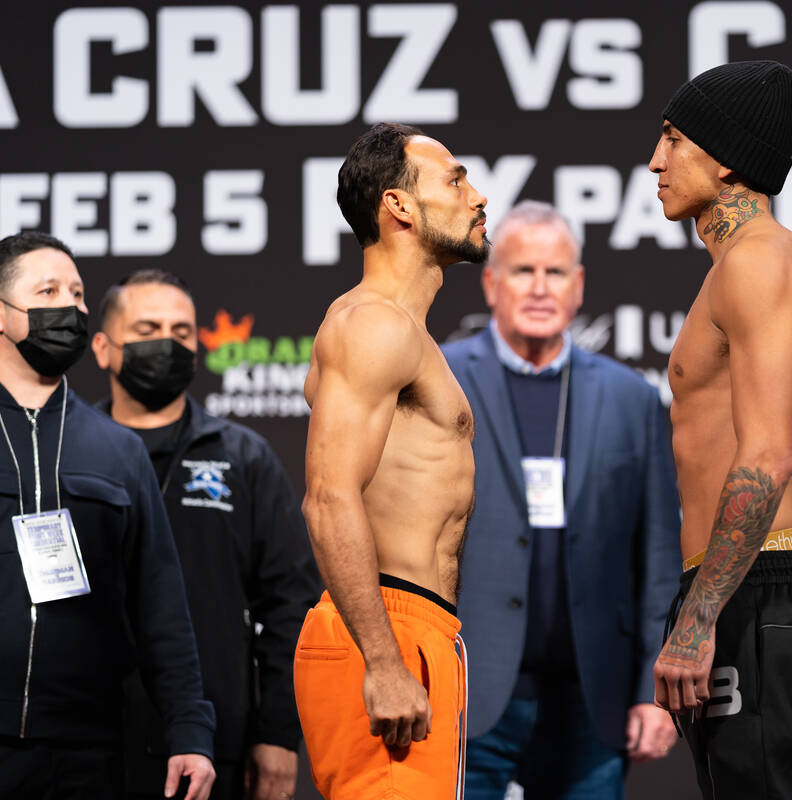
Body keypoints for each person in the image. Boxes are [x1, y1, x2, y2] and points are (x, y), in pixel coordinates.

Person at [442, 200, 681, 798]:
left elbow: (656, 558)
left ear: (578, 287)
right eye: (524, 271)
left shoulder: (633, 398)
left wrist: (653, 691)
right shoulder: (439, 380)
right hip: (468, 686)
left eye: (556, 273)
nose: (540, 288)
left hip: (592, 695)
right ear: (491, 283)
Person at [649, 60, 792, 800]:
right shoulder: (745, 263)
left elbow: (765, 456)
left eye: (672, 140)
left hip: (752, 590)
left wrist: (700, 620)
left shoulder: (757, 260)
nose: (655, 162)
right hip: (738, 588)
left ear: (725, 157)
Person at [294, 122, 488, 800]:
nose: (478, 196)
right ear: (399, 207)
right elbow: (327, 496)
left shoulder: (405, 332)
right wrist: (382, 660)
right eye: (456, 179)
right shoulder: (370, 324)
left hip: (417, 630)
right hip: (382, 628)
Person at [89, 269, 321, 800]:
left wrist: (278, 735)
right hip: (88, 741)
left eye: (182, 332)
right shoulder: (71, 456)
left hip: (216, 745)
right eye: (147, 329)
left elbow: (291, 608)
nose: (167, 344)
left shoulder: (244, 458)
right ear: (103, 348)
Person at [0, 232, 215, 800]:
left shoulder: (118, 450)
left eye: (76, 293)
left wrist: (190, 728)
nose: (69, 306)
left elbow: (160, 604)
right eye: (47, 290)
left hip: (88, 752)